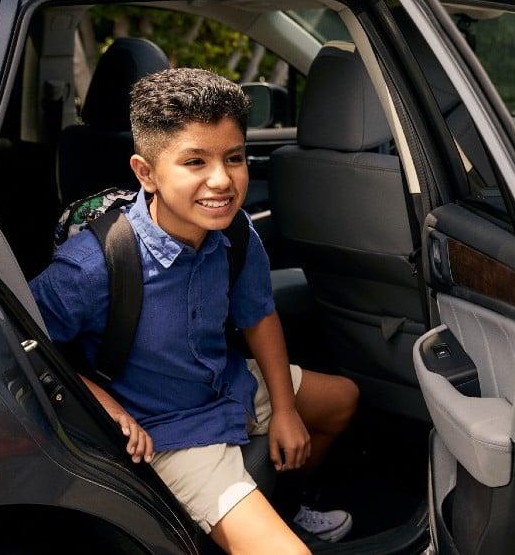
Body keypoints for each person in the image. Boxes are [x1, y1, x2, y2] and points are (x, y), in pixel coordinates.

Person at [30, 68, 359, 553]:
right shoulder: (94, 266)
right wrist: (107, 406)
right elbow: (26, 344)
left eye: (235, 158)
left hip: (226, 387)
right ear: (146, 173)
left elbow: (258, 315)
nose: (221, 180)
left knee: (342, 399)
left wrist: (285, 410)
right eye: (195, 162)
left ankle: (289, 507)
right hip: (170, 430)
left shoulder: (235, 233)